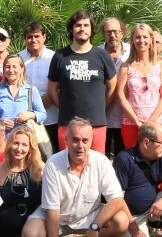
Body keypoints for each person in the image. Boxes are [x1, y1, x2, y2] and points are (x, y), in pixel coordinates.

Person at [21, 118, 137, 237]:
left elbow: (116, 199)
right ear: (66, 140)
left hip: (88, 216)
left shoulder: (102, 161)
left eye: (85, 140)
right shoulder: (53, 164)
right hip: (58, 217)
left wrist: (94, 228)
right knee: (30, 236)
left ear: (91, 141)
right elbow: (52, 212)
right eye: (75, 140)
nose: (80, 146)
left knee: (121, 221)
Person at [47, 11, 117, 152]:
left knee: (96, 167)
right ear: (71, 29)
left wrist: (101, 107)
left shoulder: (102, 55)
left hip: (96, 124)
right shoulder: (60, 56)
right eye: (78, 25)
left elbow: (113, 87)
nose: (82, 29)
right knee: (66, 168)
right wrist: (64, 107)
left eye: (86, 25)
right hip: (67, 124)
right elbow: (52, 89)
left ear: (91, 30)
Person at [0, 124, 45, 237]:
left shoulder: (41, 168)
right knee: (8, 217)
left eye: (24, 145)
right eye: (16, 143)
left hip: (34, 221)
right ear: (9, 145)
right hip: (7, 223)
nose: (19, 149)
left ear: (31, 148)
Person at [116, 24, 162, 150]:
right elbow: (121, 96)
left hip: (157, 123)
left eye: (145, 37)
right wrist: (136, 121)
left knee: (155, 160)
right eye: (137, 37)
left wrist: (151, 120)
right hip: (132, 123)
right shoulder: (125, 66)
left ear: (151, 40)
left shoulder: (160, 65)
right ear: (133, 41)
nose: (141, 41)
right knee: (133, 162)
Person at [18, 21, 57, 147]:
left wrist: (53, 96)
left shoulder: (54, 57)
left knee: (51, 155)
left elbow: (64, 83)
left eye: (37, 36)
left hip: (51, 115)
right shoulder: (18, 59)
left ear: (44, 37)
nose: (33, 40)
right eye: (29, 37)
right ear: (25, 39)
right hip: (27, 119)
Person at [0, 54, 47, 134]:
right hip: (2, 140)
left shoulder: (31, 90)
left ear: (22, 69)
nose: (11, 70)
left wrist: (30, 115)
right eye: (7, 67)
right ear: (4, 69)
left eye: (14, 67)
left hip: (24, 140)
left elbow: (43, 114)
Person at [101, 17, 130, 156]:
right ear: (103, 34)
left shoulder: (133, 51)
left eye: (115, 31)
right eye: (108, 32)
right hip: (102, 117)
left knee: (125, 160)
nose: (112, 35)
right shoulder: (95, 53)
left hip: (127, 118)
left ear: (122, 32)